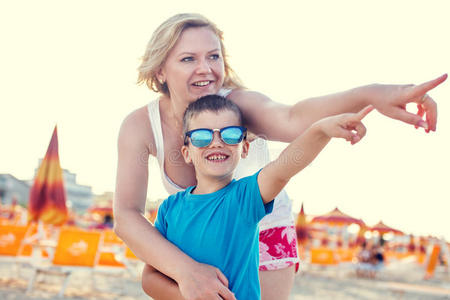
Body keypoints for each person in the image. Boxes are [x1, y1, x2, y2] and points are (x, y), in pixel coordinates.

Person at [113, 13, 446, 300]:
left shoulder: (238, 106)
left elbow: (294, 119)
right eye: (188, 59)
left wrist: (374, 93)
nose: (207, 69)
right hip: (202, 229)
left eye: (213, 57)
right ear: (159, 71)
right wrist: (186, 271)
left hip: (264, 229)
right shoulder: (141, 126)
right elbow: (127, 214)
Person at [145, 94, 372, 299]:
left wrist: (320, 130)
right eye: (202, 136)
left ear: (244, 148)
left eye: (230, 135)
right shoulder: (169, 208)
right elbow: (149, 279)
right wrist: (190, 293)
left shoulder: (245, 198)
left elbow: (286, 166)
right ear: (187, 152)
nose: (216, 142)